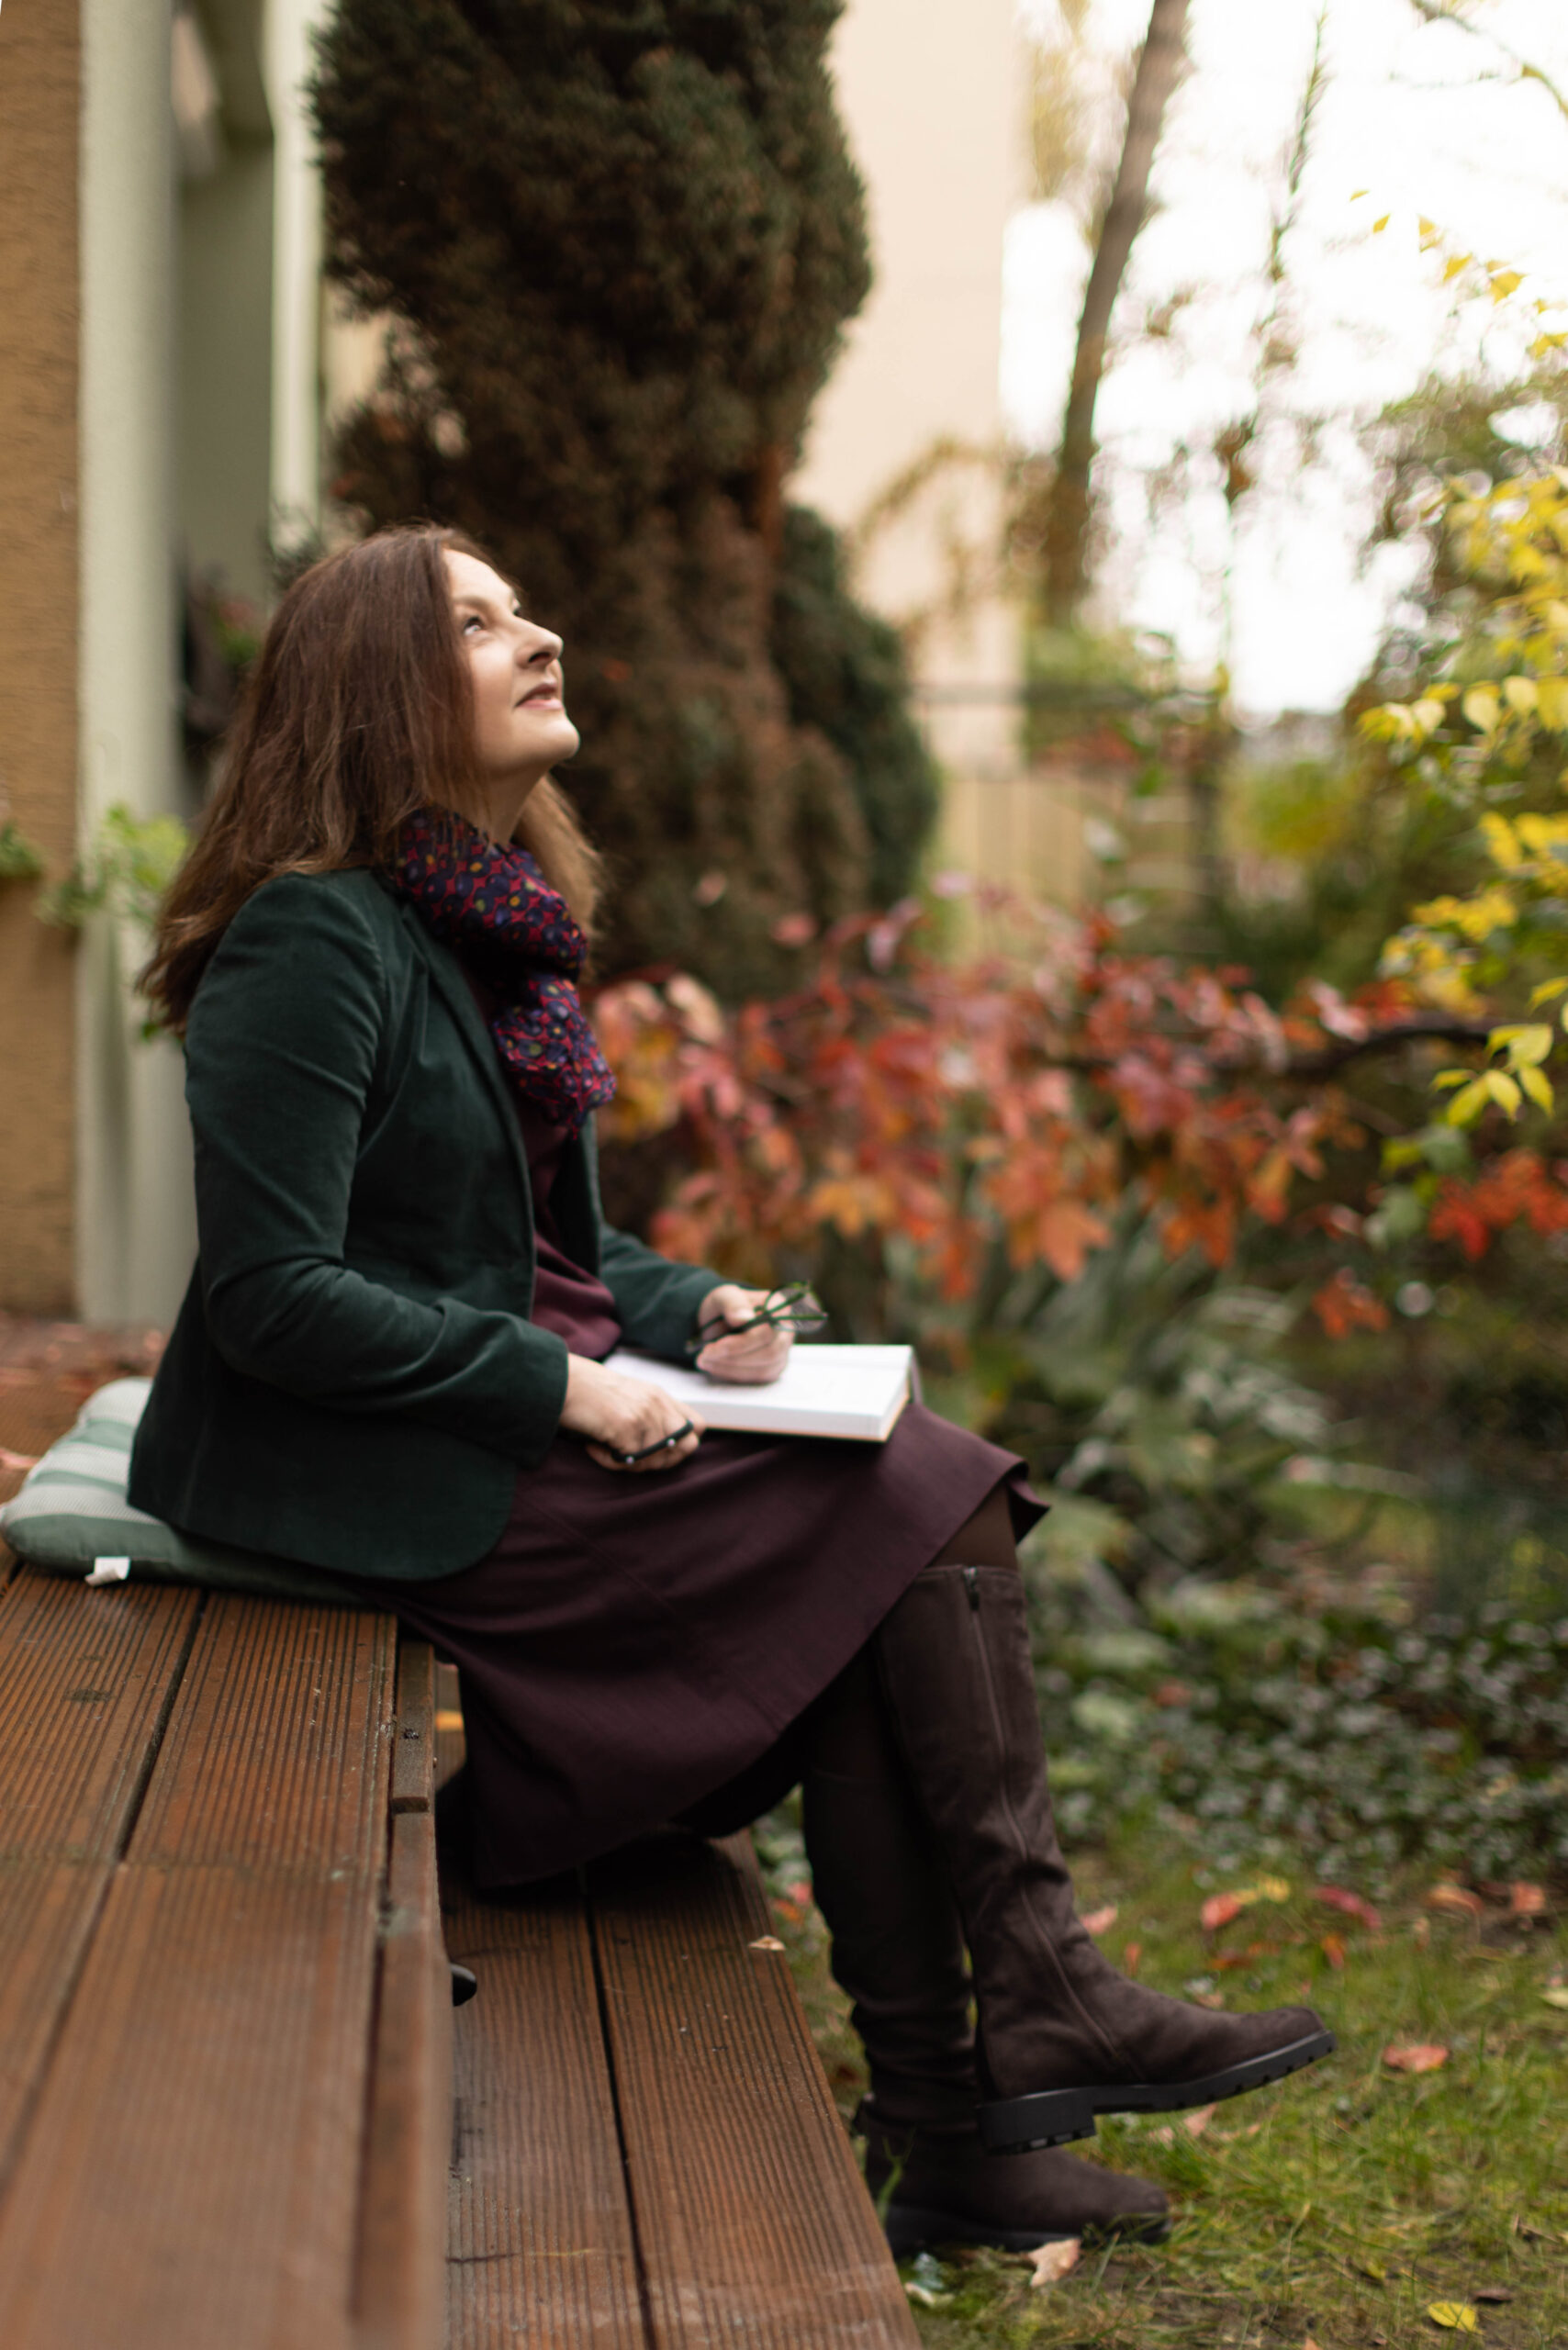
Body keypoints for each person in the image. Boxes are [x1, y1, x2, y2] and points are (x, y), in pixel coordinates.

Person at [130, 524, 1331, 2257]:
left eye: (524, 606)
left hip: (498, 1404)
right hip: (355, 1459)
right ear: (378, 692)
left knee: (905, 1510)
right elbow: (273, 1300)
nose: (541, 635)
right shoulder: (312, 941)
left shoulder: (495, 938)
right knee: (922, 1505)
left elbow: (556, 1255)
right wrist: (561, 1387)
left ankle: (968, 2111)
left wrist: (706, 1312)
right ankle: (1015, 2036)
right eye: (478, 626)